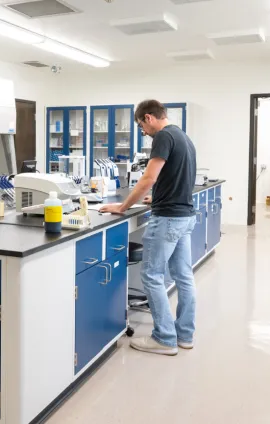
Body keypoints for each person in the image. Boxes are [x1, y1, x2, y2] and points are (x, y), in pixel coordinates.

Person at [99, 99, 197, 356]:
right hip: (185, 215)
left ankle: (164, 338)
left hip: (168, 219)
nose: (143, 131)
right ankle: (184, 335)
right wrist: (158, 197)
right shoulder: (184, 137)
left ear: (149, 118)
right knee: (184, 278)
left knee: (152, 277)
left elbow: (149, 178)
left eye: (141, 125)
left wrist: (122, 207)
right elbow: (180, 179)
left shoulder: (163, 137)